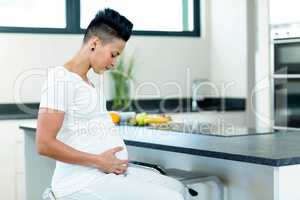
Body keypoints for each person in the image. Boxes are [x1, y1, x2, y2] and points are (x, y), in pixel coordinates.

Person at [36, 8, 189, 200]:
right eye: (114, 54)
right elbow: (44, 144)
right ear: (95, 43)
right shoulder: (61, 79)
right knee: (171, 198)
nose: (114, 63)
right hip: (81, 181)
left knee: (178, 189)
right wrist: (99, 161)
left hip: (105, 173)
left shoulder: (87, 82)